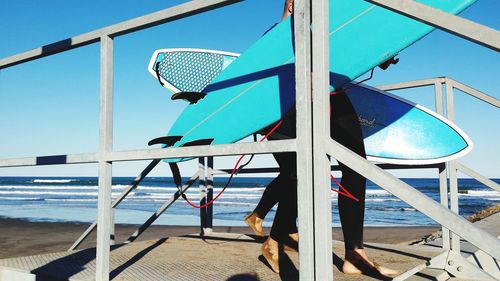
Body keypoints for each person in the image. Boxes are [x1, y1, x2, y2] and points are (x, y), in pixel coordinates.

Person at [244, 0, 399, 277]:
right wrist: (289, 16)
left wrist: (380, 51)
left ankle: (354, 252)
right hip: (290, 102)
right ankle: (275, 240)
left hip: (332, 96)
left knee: (356, 166)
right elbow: (270, 65)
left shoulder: (333, 27)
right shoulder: (276, 34)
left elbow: (354, 48)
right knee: (300, 172)